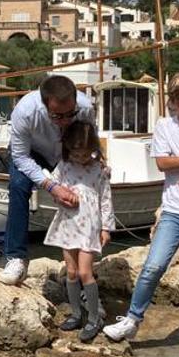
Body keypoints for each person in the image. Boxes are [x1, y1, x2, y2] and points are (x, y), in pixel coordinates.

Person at [103, 70, 179, 357]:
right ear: (171, 101)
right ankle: (133, 320)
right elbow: (162, 163)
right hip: (173, 210)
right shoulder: (164, 126)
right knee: (152, 267)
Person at [0, 74, 95, 285]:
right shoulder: (25, 112)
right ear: (44, 104)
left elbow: (90, 142)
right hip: (33, 152)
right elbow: (21, 157)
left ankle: (82, 270)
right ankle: (17, 258)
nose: (66, 121)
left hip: (69, 151)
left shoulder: (86, 109)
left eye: (71, 114)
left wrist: (97, 164)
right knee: (18, 186)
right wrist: (52, 187)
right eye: (58, 116)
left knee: (83, 194)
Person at [43, 120, 115, 341]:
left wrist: (106, 227)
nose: (81, 159)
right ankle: (76, 313)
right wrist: (60, 194)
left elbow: (105, 199)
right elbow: (51, 186)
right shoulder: (64, 167)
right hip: (69, 222)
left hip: (89, 226)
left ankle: (94, 317)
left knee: (85, 272)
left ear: (93, 150)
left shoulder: (98, 170)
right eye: (76, 154)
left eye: (85, 154)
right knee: (71, 272)